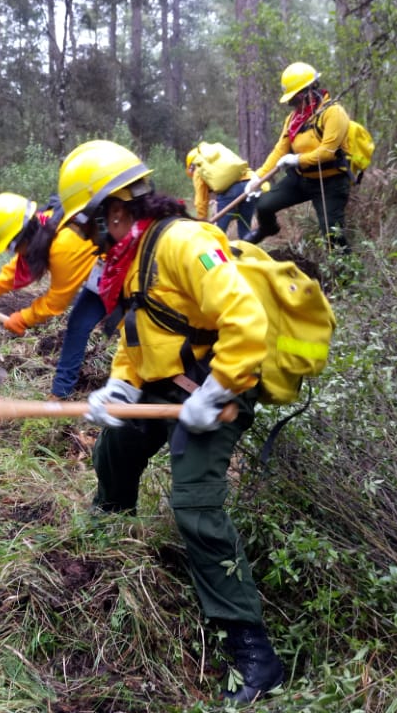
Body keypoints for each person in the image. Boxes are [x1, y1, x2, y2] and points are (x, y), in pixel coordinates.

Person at [56, 139, 284, 704]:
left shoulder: (181, 243)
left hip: (222, 388)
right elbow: (142, 334)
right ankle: (107, 541)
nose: (89, 240)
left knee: (195, 506)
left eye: (89, 226)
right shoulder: (129, 259)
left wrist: (219, 387)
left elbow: (245, 318)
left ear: (115, 209)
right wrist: (121, 383)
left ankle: (253, 651)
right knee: (114, 451)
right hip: (164, 387)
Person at [0, 194, 105, 399]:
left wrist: (24, 318)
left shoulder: (63, 245)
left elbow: (56, 302)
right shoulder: (43, 228)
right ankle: (61, 392)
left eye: (11, 247)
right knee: (78, 325)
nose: (11, 252)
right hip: (98, 277)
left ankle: (134, 387)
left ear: (22, 237)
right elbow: (12, 274)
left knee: (129, 328)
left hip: (119, 275)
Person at [242, 62, 352, 252]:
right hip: (301, 179)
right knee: (264, 206)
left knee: (333, 236)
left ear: (308, 91)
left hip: (330, 183)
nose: (292, 105)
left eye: (294, 100)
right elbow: (280, 149)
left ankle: (346, 279)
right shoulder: (293, 120)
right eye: (290, 101)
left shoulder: (334, 112)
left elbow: (327, 152)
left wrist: (297, 159)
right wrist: (258, 177)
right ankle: (268, 228)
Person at [186, 142, 262, 240]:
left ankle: (214, 253)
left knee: (218, 233)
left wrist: (202, 221)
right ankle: (247, 252)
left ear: (191, 166)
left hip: (230, 192)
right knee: (245, 230)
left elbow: (201, 199)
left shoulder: (199, 167)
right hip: (250, 185)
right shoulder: (220, 155)